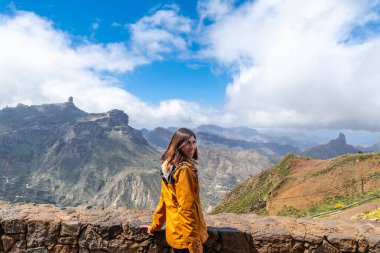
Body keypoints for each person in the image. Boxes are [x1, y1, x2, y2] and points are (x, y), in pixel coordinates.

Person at [142, 128, 208, 253]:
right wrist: (195, 247)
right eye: (187, 143)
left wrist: (154, 227)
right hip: (187, 241)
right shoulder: (184, 170)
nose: (192, 147)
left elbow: (164, 201)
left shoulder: (168, 166)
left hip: (175, 235)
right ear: (178, 144)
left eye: (194, 142)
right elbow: (187, 210)